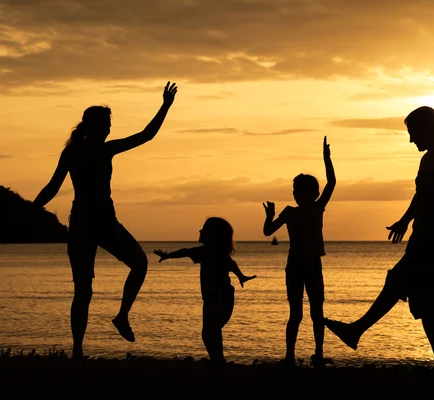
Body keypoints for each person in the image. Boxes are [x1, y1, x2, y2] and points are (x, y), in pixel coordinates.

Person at [325, 107, 434, 369]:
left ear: (427, 129)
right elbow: (421, 197)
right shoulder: (427, 161)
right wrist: (404, 220)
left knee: (398, 280)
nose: (411, 140)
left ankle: (356, 330)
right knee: (426, 302)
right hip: (424, 236)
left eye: (413, 133)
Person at [33, 82, 178, 360]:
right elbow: (146, 136)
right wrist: (165, 106)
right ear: (93, 126)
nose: (110, 129)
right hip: (88, 225)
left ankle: (113, 323)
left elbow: (52, 187)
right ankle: (82, 346)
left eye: (110, 125)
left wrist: (30, 208)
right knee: (88, 288)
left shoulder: (84, 151)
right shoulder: (89, 151)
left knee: (122, 271)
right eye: (106, 124)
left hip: (98, 223)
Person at [262, 136, 336, 368]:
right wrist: (270, 215)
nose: (295, 194)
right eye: (294, 190)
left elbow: (332, 182)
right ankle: (290, 356)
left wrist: (326, 159)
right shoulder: (289, 212)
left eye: (299, 191)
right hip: (296, 266)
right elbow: (267, 231)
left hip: (311, 265)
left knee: (316, 313)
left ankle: (318, 354)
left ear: (311, 193)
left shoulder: (316, 207)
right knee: (296, 314)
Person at [153, 217, 256, 365]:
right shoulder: (210, 251)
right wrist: (241, 276)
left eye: (204, 229)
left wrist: (168, 255)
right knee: (211, 331)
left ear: (214, 234)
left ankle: (218, 360)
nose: (200, 231)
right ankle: (218, 359)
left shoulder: (210, 251)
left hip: (219, 298)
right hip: (216, 297)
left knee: (210, 332)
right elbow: (188, 252)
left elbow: (187, 252)